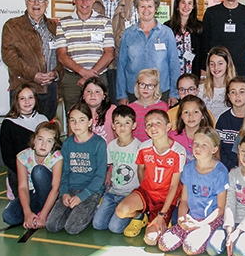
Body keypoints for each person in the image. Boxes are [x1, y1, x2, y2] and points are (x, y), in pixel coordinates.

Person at [115, 110, 187, 244]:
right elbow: (140, 169)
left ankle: (164, 219)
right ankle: (140, 216)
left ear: (168, 127)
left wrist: (162, 213)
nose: (153, 127)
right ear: (146, 130)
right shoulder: (143, 148)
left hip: (165, 197)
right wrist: (145, 188)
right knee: (121, 211)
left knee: (151, 240)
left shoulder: (178, 151)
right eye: (149, 124)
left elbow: (174, 185)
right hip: (148, 193)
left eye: (158, 123)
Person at [158, 127, 229, 255]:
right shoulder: (189, 168)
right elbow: (184, 200)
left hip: (211, 219)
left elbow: (220, 208)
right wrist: (182, 218)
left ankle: (212, 235)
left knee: (190, 248)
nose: (198, 147)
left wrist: (199, 225)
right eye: (196, 143)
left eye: (204, 145)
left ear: (214, 149)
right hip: (192, 217)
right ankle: (189, 233)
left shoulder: (220, 172)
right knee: (163, 244)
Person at [1, 0, 62, 120]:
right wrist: (33, 75)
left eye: (41, 0)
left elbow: (63, 55)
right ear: (26, 2)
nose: (36, 3)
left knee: (46, 131)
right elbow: (9, 57)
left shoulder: (55, 27)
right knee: (23, 134)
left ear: (47, 3)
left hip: (50, 89)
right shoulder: (12, 26)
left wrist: (56, 73)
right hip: (24, 89)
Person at [46, 102, 107, 234]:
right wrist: (64, 193)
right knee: (52, 225)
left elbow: (100, 176)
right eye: (72, 121)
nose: (76, 124)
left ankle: (95, 207)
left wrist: (82, 196)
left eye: (81, 120)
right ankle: (74, 209)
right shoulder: (67, 144)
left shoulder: (99, 144)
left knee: (72, 228)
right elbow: (65, 172)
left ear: (90, 122)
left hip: (91, 190)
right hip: (71, 189)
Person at [116, 0, 180, 106]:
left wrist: (174, 93)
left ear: (156, 8)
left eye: (150, 6)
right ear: (137, 9)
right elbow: (121, 65)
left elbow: (174, 64)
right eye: (142, 6)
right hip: (133, 93)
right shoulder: (128, 34)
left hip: (161, 91)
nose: (146, 10)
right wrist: (121, 94)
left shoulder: (166, 33)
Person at [56, 0, 115, 108]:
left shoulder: (104, 22)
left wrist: (90, 75)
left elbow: (109, 54)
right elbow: (61, 55)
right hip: (73, 80)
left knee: (99, 118)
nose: (84, 2)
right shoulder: (63, 23)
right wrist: (82, 72)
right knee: (74, 118)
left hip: (98, 77)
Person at [2, 121, 63, 229]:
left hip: (50, 195)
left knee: (38, 171)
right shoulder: (23, 156)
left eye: (49, 141)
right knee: (8, 216)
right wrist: (27, 213)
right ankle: (35, 215)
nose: (43, 145)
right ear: (34, 140)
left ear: (54, 144)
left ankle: (46, 212)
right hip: (33, 195)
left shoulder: (57, 157)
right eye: (40, 139)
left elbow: (55, 189)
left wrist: (43, 216)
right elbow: (23, 187)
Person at [92, 105, 142, 233]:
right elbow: (111, 165)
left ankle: (138, 214)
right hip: (113, 193)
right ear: (113, 126)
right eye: (118, 123)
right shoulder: (112, 145)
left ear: (134, 125)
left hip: (130, 194)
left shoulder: (139, 147)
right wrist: (108, 175)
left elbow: (143, 171)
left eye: (127, 123)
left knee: (115, 228)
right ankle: (113, 209)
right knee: (98, 224)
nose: (122, 127)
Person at [92, 0, 137, 93]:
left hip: (119, 65)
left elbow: (134, 37)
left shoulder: (130, 4)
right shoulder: (91, 0)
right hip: (95, 64)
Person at [0, 84, 48, 198]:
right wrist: (24, 171)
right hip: (19, 170)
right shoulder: (9, 123)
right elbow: (7, 157)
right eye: (22, 98)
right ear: (16, 101)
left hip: (41, 168)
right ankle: (11, 186)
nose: (27, 102)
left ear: (35, 99)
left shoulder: (43, 120)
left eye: (30, 97)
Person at [164, 0, 204, 76]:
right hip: (172, 75)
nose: (186, 6)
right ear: (177, 5)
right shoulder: (167, 27)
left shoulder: (200, 28)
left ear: (193, 6)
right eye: (183, 2)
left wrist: (203, 72)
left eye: (189, 3)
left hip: (193, 75)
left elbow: (203, 53)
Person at [216, 77, 245, 171]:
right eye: (233, 92)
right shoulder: (223, 119)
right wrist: (230, 167)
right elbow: (219, 148)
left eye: (242, 92)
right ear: (228, 96)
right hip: (227, 169)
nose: (237, 95)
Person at [128, 68, 170, 143]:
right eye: (142, 84)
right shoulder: (130, 108)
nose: (145, 88)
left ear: (156, 87)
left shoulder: (163, 106)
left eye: (150, 85)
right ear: (137, 85)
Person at [170, 95, 215, 163]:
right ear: (181, 116)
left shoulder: (209, 138)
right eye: (186, 112)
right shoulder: (171, 137)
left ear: (203, 115)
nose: (191, 116)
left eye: (195, 112)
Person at [199, 46, 236, 121]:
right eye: (212, 64)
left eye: (220, 63)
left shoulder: (235, 90)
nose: (216, 68)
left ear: (227, 64)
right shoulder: (200, 90)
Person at [80, 77, 115, 144]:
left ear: (104, 96)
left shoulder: (113, 111)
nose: (92, 95)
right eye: (88, 91)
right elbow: (71, 138)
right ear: (83, 95)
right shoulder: (76, 111)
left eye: (97, 92)